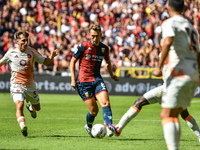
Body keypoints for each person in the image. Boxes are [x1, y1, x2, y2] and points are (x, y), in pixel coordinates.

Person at [153, 0, 200, 149]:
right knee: (175, 114)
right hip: (192, 74)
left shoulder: (169, 23)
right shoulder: (191, 27)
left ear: (168, 8)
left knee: (166, 115)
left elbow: (167, 41)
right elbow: (198, 52)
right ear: (184, 8)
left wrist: (158, 67)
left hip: (179, 73)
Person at [0, 31, 58, 137]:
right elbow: (1, 62)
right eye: (23, 40)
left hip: (30, 86)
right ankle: (23, 126)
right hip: (16, 85)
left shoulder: (32, 52)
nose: (25, 42)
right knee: (19, 105)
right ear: (17, 41)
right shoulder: (11, 53)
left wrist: (52, 56)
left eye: (27, 40)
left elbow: (44, 61)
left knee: (38, 108)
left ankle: (31, 108)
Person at [69, 24, 119, 138]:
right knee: (94, 111)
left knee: (106, 103)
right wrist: (73, 79)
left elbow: (107, 62)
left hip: (97, 79)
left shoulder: (104, 48)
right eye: (92, 36)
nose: (94, 38)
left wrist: (111, 74)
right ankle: (88, 125)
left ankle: (109, 127)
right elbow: (72, 62)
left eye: (96, 36)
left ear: (101, 34)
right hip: (83, 81)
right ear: (89, 35)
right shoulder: (83, 46)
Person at [104, 84, 200, 142]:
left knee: (139, 102)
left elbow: (157, 72)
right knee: (185, 114)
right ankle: (199, 136)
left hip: (168, 88)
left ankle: (119, 128)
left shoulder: (166, 54)